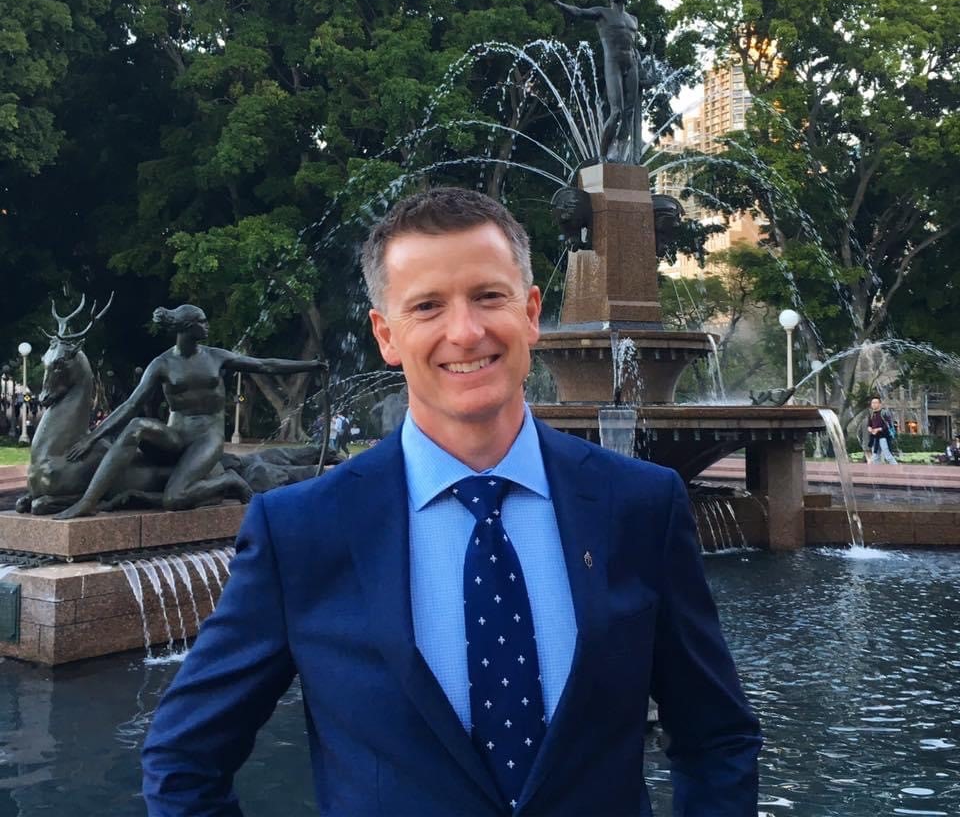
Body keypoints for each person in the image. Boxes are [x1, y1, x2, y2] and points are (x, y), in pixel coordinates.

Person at [142, 188, 761, 815]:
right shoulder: (303, 530)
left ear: (531, 312)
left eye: (489, 297)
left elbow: (716, 736)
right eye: (428, 306)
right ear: (386, 335)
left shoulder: (640, 506)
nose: (465, 332)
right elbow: (184, 758)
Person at [54, 304, 326, 518]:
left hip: (206, 438)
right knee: (137, 425)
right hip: (176, 435)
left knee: (174, 499)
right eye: (202, 322)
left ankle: (228, 481)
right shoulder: (162, 364)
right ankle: (89, 501)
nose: (207, 327)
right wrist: (91, 437)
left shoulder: (216, 357)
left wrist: (309, 366)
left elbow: (265, 365)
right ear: (187, 327)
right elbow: (130, 405)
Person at [547, 0, 650, 163]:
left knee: (629, 111)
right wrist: (561, 5)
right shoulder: (602, 13)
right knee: (616, 111)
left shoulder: (633, 19)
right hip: (613, 63)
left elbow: (633, 47)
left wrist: (643, 71)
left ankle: (617, 149)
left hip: (631, 64)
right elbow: (579, 12)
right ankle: (603, 154)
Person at [865, 395, 898, 465]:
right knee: (875, 456)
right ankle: (876, 471)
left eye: (875, 403)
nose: (873, 404)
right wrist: (870, 429)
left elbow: (888, 425)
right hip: (875, 437)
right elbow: (869, 425)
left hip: (884, 437)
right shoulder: (871, 414)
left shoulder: (884, 413)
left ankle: (896, 468)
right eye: (872, 403)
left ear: (880, 404)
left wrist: (878, 429)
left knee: (887, 455)